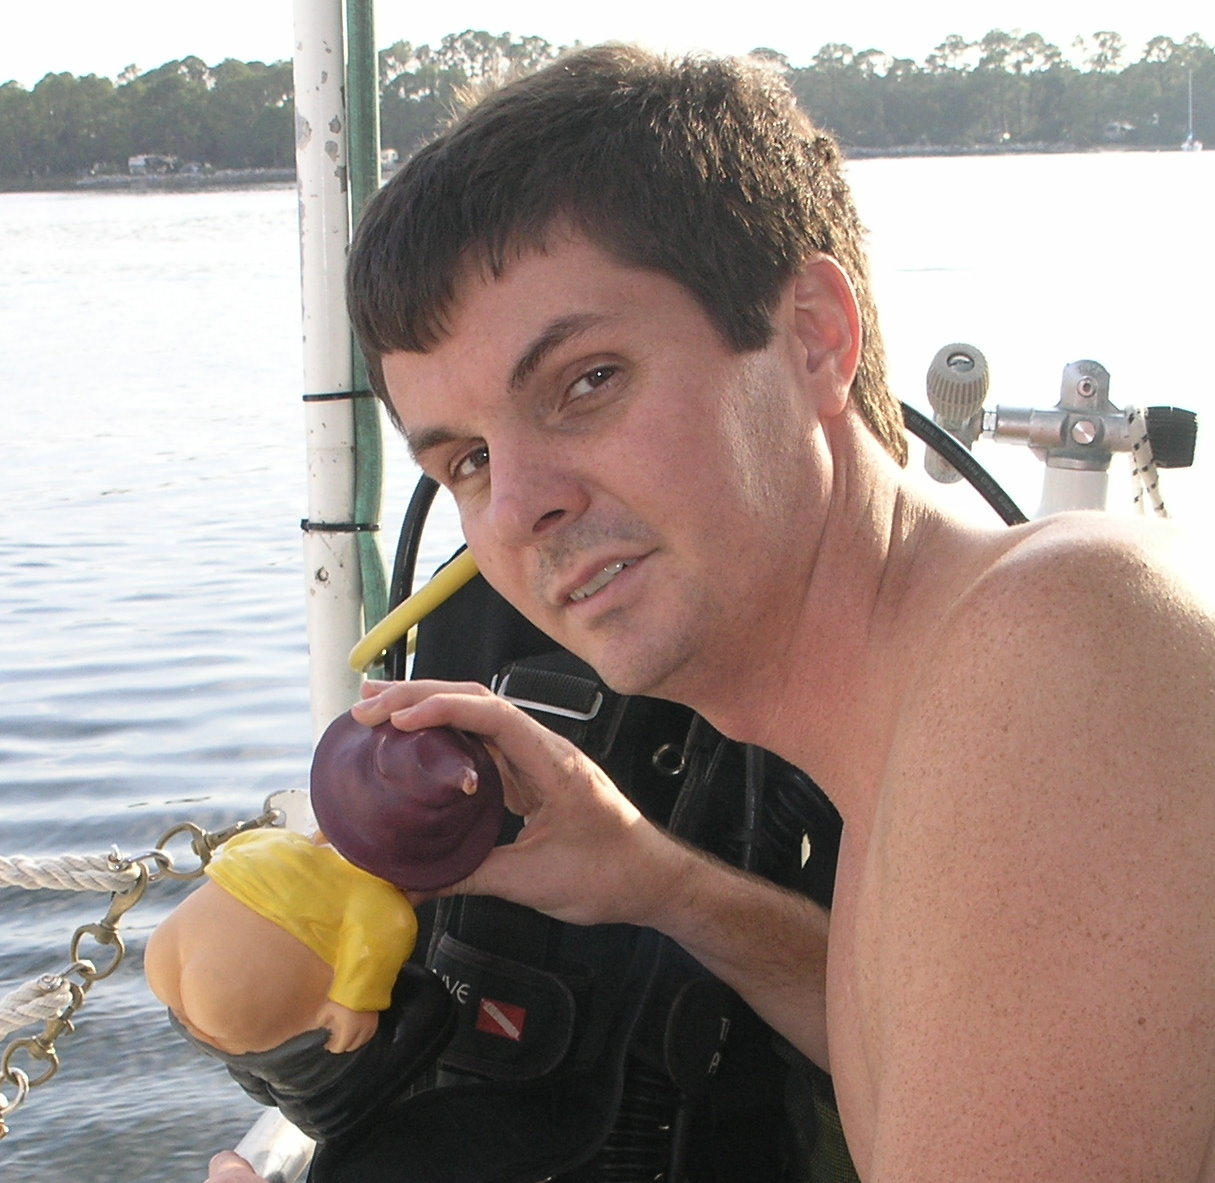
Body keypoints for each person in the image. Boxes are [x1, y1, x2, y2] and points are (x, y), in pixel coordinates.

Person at [209, 44, 1215, 1182]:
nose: (526, 505)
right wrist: (651, 877)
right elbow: (946, 1057)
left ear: (814, 336)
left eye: (587, 381)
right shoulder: (932, 709)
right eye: (471, 459)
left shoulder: (1060, 643)